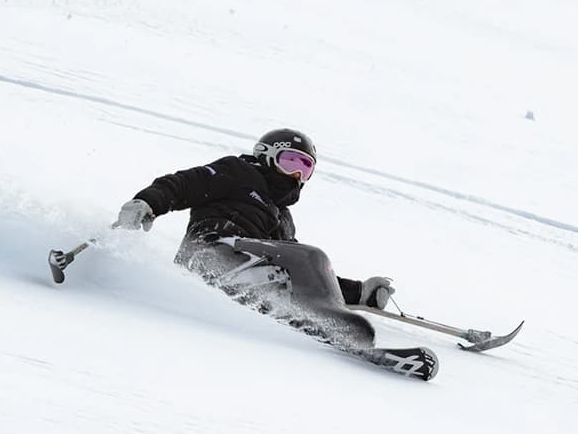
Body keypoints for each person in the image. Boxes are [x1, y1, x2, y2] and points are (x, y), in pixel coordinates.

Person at [116, 128, 438, 379]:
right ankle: (332, 323)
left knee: (306, 261)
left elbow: (305, 268)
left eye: (306, 169)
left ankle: (310, 316)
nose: (297, 176)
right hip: (209, 254)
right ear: (267, 157)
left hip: (247, 269)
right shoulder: (238, 171)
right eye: (291, 162)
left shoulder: (281, 217)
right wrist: (148, 202)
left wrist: (361, 292)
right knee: (312, 257)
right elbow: (182, 184)